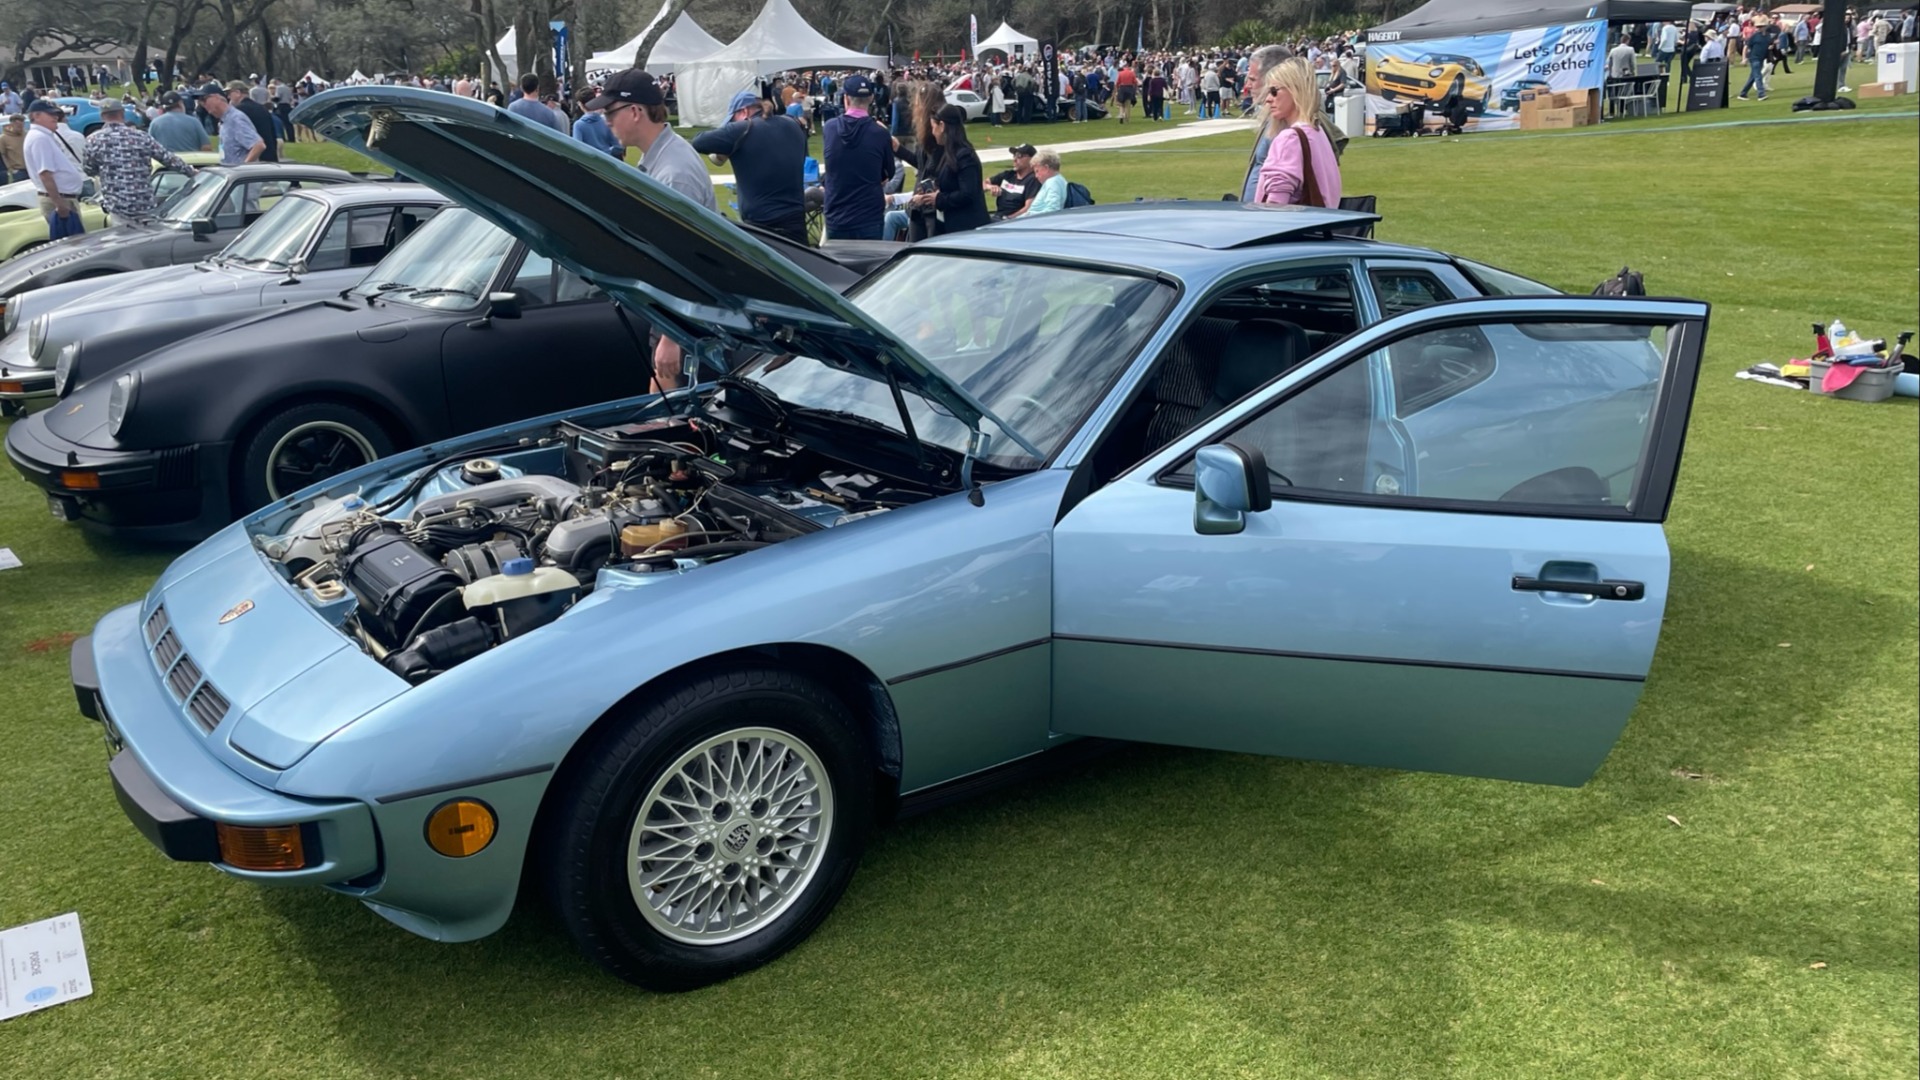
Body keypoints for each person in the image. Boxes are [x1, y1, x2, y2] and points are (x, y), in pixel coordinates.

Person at [590, 69, 715, 392]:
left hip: (686, 321)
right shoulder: (660, 159)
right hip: (672, 314)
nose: (606, 121)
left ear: (635, 111)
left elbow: (686, 261)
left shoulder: (674, 174)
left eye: (610, 112)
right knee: (661, 410)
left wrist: (672, 337)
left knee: (679, 415)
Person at [692, 89, 808, 245]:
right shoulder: (793, 124)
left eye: (733, 119)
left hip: (762, 228)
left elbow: (699, 141)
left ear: (744, 112)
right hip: (796, 222)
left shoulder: (743, 130)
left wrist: (730, 144)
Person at [82, 101, 195, 225]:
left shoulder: (93, 140)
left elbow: (88, 169)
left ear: (102, 116)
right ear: (122, 113)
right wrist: (191, 172)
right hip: (144, 202)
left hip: (117, 204)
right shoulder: (141, 136)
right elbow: (168, 159)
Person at [1254, 59, 1341, 208]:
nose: (1268, 99)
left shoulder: (1290, 138)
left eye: (1274, 91)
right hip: (1323, 219)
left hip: (1295, 222)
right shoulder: (1318, 133)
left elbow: (1275, 206)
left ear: (1295, 90)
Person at [820, 74, 894, 241]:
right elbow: (889, 172)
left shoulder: (830, 128)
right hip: (868, 215)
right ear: (872, 98)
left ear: (846, 98)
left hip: (838, 213)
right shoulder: (880, 133)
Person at [905, 104, 987, 235]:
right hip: (949, 224)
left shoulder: (965, 156)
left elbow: (968, 193)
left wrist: (938, 199)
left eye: (933, 127)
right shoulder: (947, 153)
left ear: (942, 126)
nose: (933, 133)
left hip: (965, 227)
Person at [23, 99, 88, 240]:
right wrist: (60, 204)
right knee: (74, 246)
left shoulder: (43, 136)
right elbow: (45, 174)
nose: (55, 117)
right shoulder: (40, 138)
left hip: (62, 197)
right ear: (36, 116)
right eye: (50, 114)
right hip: (60, 199)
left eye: (56, 114)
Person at [204, 87, 264, 165]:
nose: (203, 104)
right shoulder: (224, 121)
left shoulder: (235, 119)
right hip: (228, 169)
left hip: (239, 171)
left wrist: (242, 168)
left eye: (204, 100)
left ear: (216, 98)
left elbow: (258, 145)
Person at [226, 80, 278, 160]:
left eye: (229, 93)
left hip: (254, 157)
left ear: (237, 92)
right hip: (270, 154)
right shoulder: (261, 108)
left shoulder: (238, 111)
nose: (228, 97)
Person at [985, 143, 1039, 219]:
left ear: (1032, 159)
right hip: (998, 216)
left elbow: (1028, 208)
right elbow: (982, 184)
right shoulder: (1008, 175)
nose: (1014, 159)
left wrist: (1008, 218)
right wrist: (990, 187)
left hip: (1014, 220)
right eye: (1014, 155)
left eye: (1019, 156)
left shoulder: (1033, 180)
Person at [1011, 148, 1067, 217]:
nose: (1036, 176)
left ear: (1046, 168)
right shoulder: (1059, 180)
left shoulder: (1052, 183)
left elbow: (1052, 210)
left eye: (1037, 171)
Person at [571, 88, 622, 156]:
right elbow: (617, 146)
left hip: (588, 160)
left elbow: (577, 148)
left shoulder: (578, 125)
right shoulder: (605, 121)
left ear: (580, 104)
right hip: (606, 159)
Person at [1737, 18, 1774, 99]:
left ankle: (1743, 94)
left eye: (1761, 26)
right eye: (1758, 27)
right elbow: (1746, 47)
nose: (1759, 28)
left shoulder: (1768, 36)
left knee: (1753, 77)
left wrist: (1771, 47)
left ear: (1765, 27)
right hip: (1754, 58)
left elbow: (1770, 44)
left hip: (1761, 58)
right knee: (1758, 76)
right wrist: (1744, 58)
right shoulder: (1754, 36)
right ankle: (1761, 94)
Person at [1, 114, 26, 182]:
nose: (21, 128)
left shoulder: (25, 135)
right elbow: (3, 155)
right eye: (18, 126)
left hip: (30, 168)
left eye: (22, 126)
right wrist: (10, 169)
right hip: (18, 171)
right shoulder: (3, 138)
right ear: (12, 124)